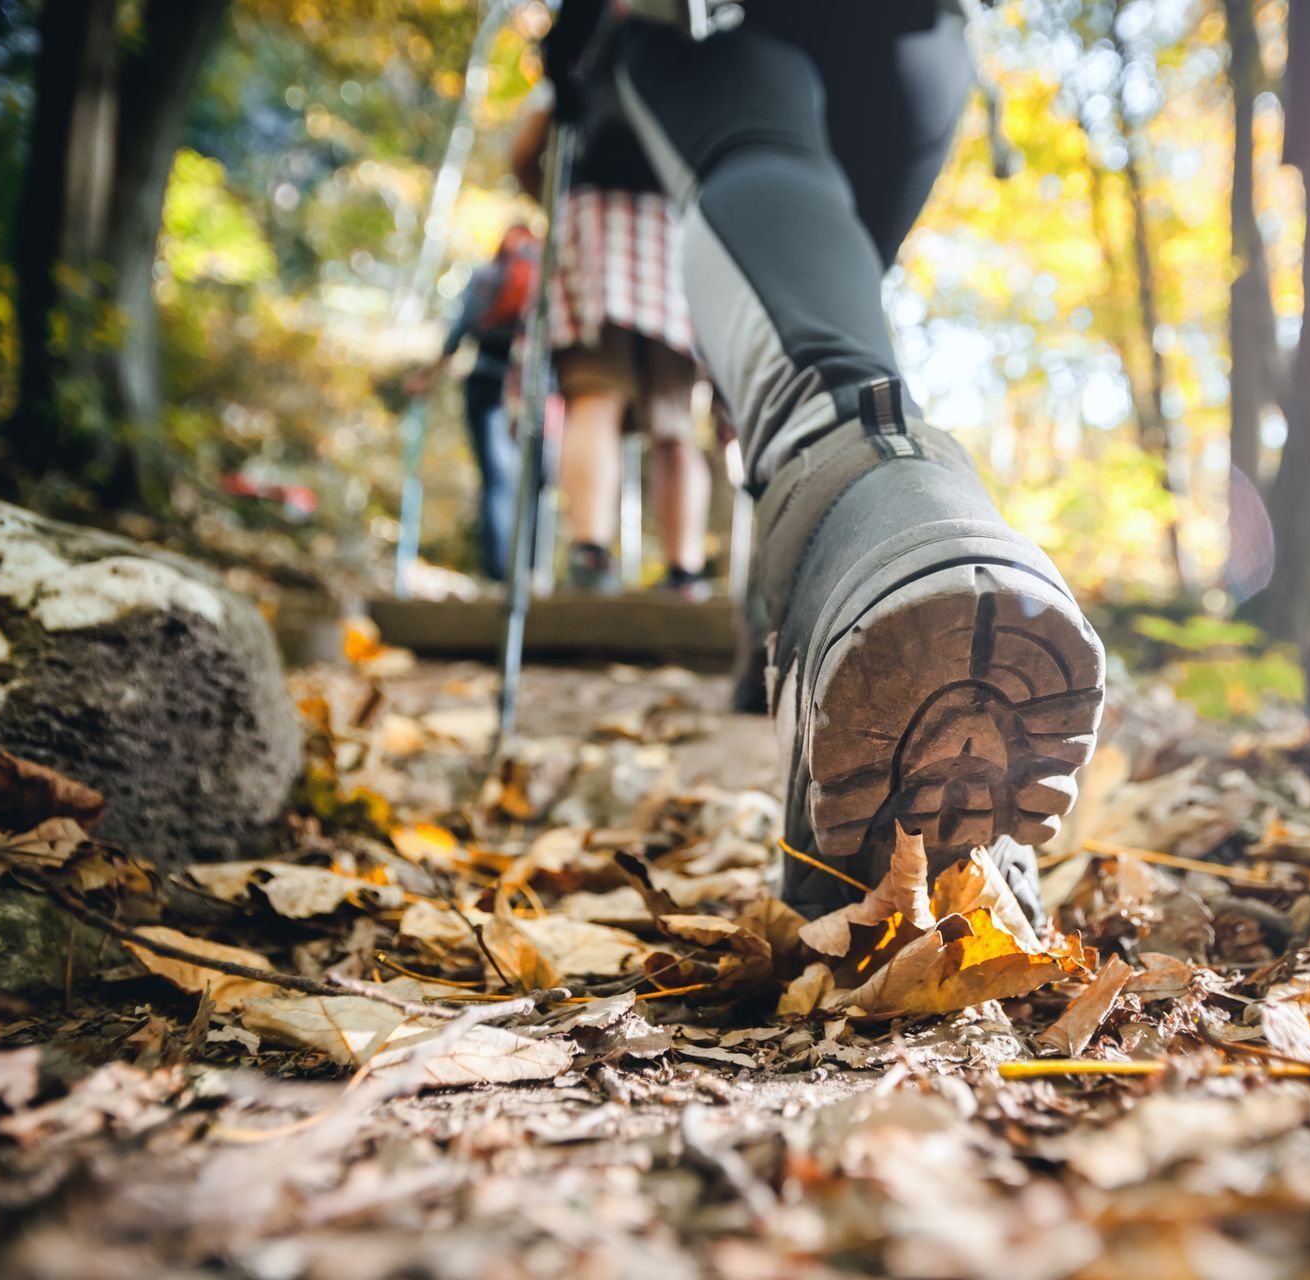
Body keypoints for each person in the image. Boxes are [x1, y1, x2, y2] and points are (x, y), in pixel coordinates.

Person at [546, 0, 1107, 924]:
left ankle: (865, 508)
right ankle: (822, 580)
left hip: (710, 32)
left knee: (767, 183)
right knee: (815, 288)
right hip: (918, 51)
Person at [513, 17, 712, 599]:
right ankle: (685, 571)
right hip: (674, 239)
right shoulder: (687, 54)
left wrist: (556, 199)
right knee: (674, 420)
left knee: (595, 396)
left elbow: (526, 151)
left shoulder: (583, 48)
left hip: (592, 228)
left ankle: (590, 553)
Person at [407, 224, 536, 581]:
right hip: (536, 388)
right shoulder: (548, 273)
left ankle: (499, 575)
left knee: (497, 480)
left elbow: (457, 332)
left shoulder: (486, 275)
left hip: (487, 381)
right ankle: (532, 572)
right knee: (534, 481)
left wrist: (425, 376)